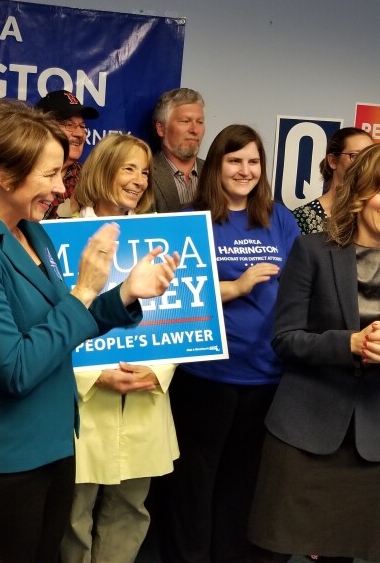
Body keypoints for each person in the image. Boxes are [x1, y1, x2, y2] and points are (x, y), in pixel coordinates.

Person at [0, 100, 179, 563]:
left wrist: (124, 294)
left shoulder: (33, 232)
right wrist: (83, 292)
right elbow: (14, 367)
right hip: (8, 460)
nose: (61, 188)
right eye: (48, 175)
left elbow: (62, 326)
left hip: (58, 444)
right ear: (4, 176)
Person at [248, 142, 380, 562]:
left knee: (344, 554)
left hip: (373, 437)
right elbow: (285, 339)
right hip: (303, 428)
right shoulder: (313, 251)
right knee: (272, 550)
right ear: (359, 190)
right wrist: (350, 343)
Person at [153, 124, 300, 562]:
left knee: (244, 481)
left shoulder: (280, 218)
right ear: (215, 164)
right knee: (193, 482)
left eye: (253, 161)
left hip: (266, 373)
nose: (245, 170)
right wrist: (235, 287)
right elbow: (169, 291)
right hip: (205, 372)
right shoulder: (188, 218)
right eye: (235, 160)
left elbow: (299, 287)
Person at [59, 133, 178, 563]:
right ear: (103, 169)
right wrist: (92, 375)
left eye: (145, 171)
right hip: (84, 399)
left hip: (144, 393)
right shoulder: (60, 234)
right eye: (128, 168)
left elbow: (182, 317)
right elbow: (50, 322)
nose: (140, 180)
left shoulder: (161, 235)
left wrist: (158, 373)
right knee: (74, 513)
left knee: (130, 510)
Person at [293, 128, 372, 234]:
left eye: (370, 157)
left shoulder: (376, 214)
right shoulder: (303, 217)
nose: (365, 163)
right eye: (355, 156)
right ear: (333, 161)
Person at [35, 89, 99, 219]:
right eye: (69, 125)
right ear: (43, 128)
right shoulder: (24, 172)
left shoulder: (88, 178)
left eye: (82, 126)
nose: (80, 134)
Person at [150, 88, 206, 213]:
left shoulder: (216, 173)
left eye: (200, 122)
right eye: (185, 121)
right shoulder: (144, 175)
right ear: (161, 128)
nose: (194, 130)